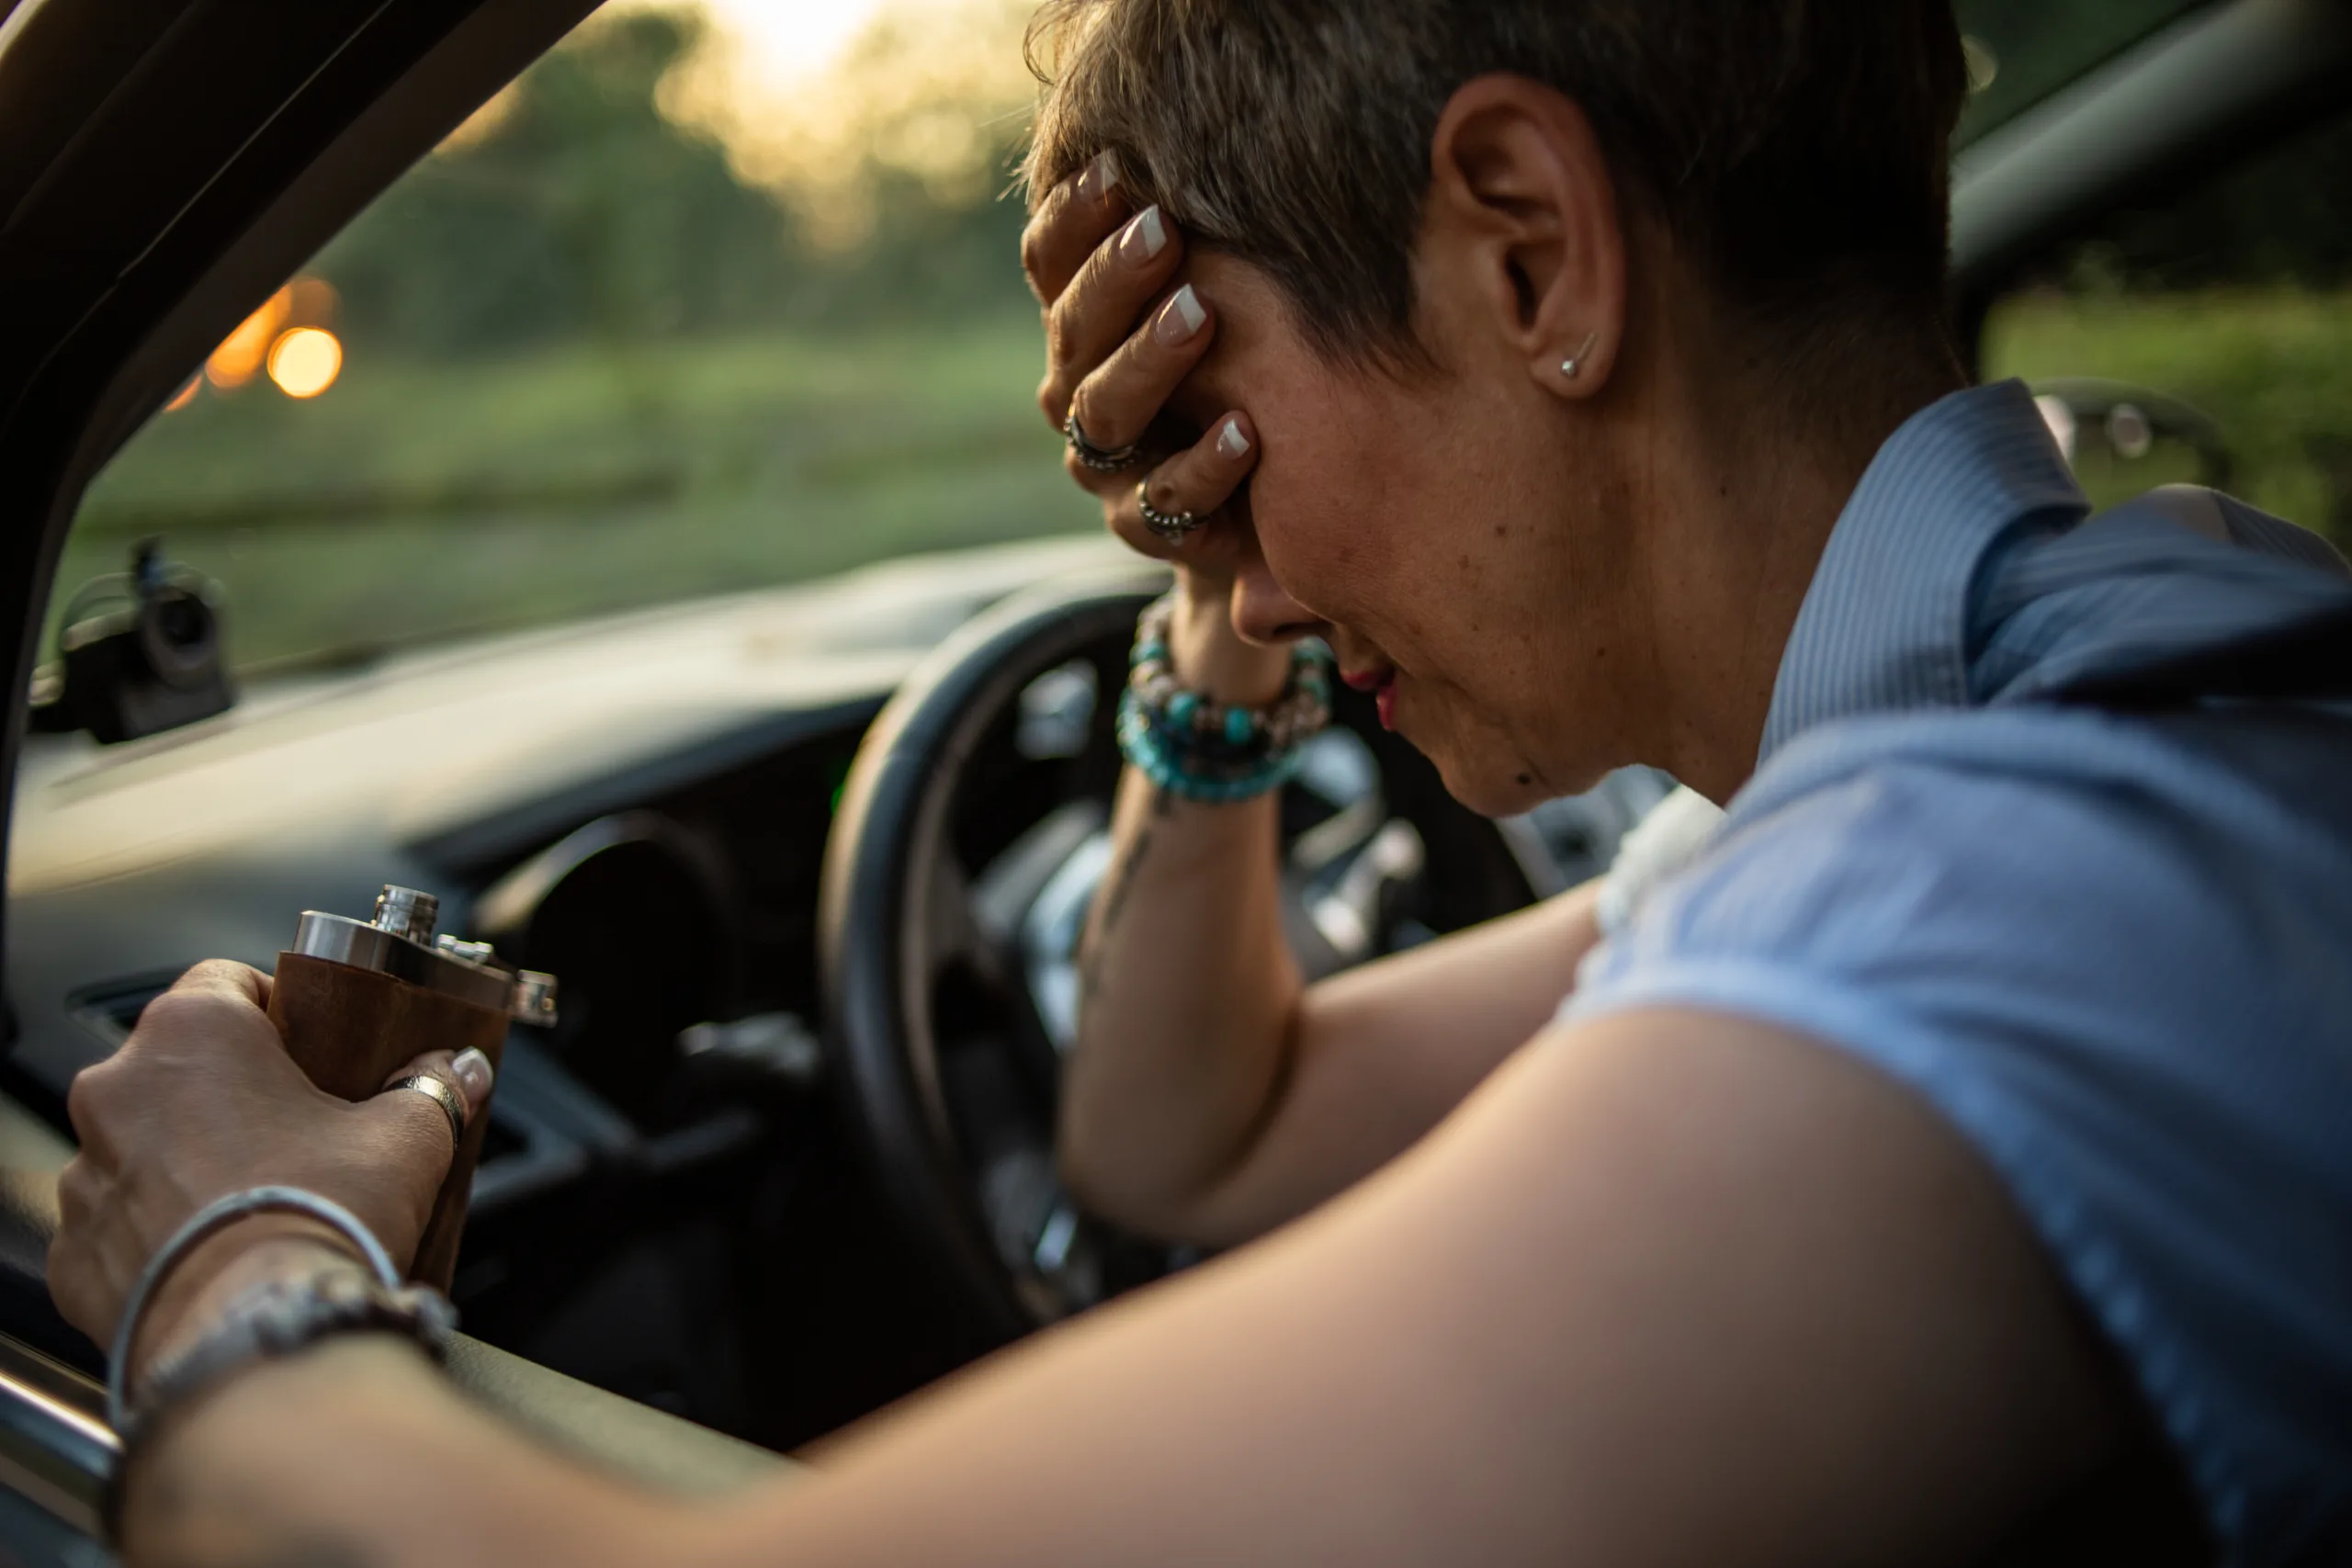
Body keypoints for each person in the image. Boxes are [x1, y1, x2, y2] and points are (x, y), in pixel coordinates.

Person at [48, 1, 2352, 1563]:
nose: (1190, 507)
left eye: (1211, 421)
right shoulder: (2034, 728)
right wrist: (1213, 622)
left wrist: (241, 1263)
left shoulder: (2030, 894)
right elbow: (1197, 1133)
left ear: (1527, 249)